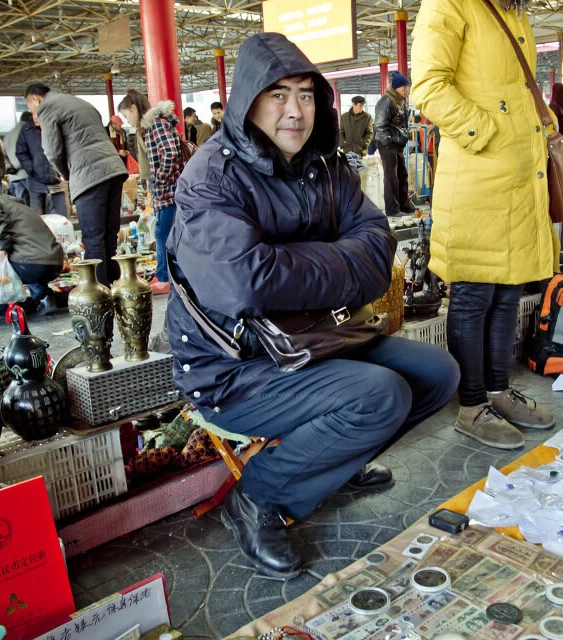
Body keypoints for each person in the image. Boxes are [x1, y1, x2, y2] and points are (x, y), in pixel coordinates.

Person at [167, 32, 459, 578]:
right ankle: (258, 498)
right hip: (232, 368)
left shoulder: (326, 165)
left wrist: (291, 265)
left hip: (312, 343)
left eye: (305, 94)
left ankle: (332, 464)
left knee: (437, 372)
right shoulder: (212, 177)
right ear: (247, 100)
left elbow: (378, 245)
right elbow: (243, 284)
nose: (295, 111)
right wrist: (336, 265)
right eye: (278, 95)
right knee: (380, 396)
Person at [412, 0, 558, 450]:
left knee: (508, 291)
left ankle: (498, 392)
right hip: (478, 177)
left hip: (518, 177)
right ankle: (472, 406)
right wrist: (486, 132)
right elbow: (429, 86)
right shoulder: (449, 4)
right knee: (475, 293)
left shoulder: (514, 12)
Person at [25, 82, 128, 286]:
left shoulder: (48, 107)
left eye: (31, 109)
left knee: (93, 239)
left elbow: (52, 151)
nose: (34, 114)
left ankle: (99, 295)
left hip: (89, 175)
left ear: (36, 100)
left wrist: (66, 174)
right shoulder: (79, 102)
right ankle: (118, 287)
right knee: (109, 237)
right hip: (114, 170)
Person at [119, 89, 183, 296]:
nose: (127, 120)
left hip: (169, 190)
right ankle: (164, 273)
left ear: (134, 108)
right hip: (167, 189)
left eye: (127, 115)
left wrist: (160, 179)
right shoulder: (151, 126)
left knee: (162, 233)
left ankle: (165, 277)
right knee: (165, 232)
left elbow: (171, 152)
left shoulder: (155, 124)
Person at [0, 189, 64, 317]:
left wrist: (1, 248)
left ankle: (1, 308)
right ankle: (44, 297)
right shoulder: (17, 206)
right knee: (21, 253)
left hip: (31, 264)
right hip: (53, 263)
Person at [375, 72, 416, 216]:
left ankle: (404, 205)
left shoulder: (401, 101)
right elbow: (380, 125)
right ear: (397, 87)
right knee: (391, 176)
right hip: (388, 145)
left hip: (397, 144)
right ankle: (392, 209)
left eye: (407, 86)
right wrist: (388, 142)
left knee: (402, 174)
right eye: (404, 86)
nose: (407, 89)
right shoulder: (386, 102)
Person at [16, 105, 65, 216]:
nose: (35, 118)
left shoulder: (56, 126)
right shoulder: (26, 130)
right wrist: (31, 168)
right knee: (37, 216)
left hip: (57, 179)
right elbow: (20, 152)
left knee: (61, 215)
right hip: (35, 180)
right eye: (33, 114)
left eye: (38, 115)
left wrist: (63, 170)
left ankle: (59, 234)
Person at [3, 111, 31, 205]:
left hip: (13, 176)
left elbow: (3, 155)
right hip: (27, 175)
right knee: (32, 209)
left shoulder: (8, 135)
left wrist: (10, 167)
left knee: (21, 208)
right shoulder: (28, 132)